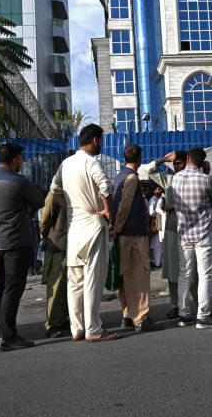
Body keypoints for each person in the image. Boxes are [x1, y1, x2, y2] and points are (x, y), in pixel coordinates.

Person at [51, 124, 118, 341]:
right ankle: (94, 329)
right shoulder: (92, 162)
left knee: (76, 280)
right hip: (92, 224)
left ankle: (77, 328)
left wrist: (70, 207)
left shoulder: (66, 163)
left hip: (75, 227)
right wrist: (107, 210)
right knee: (93, 279)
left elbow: (55, 189)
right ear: (96, 140)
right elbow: (105, 186)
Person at [0, 143, 45, 351]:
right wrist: (26, 207)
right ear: (15, 159)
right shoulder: (19, 182)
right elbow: (39, 200)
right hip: (16, 241)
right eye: (21, 158)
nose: (23, 162)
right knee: (12, 288)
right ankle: (8, 335)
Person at [111, 144, 162, 332]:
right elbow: (124, 208)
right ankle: (141, 317)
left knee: (126, 277)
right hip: (132, 234)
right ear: (139, 158)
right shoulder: (132, 178)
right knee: (139, 276)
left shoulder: (119, 176)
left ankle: (127, 314)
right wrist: (117, 228)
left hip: (123, 234)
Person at [171, 147, 212, 329]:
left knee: (185, 274)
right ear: (203, 162)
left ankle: (183, 314)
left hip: (184, 233)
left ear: (187, 159)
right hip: (203, 234)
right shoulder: (205, 179)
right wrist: (206, 173)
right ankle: (203, 315)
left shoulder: (175, 178)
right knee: (205, 275)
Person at [147, 150, 188, 319]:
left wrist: (173, 206)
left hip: (190, 229)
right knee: (172, 270)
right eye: (175, 164)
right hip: (172, 229)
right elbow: (150, 170)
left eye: (180, 163)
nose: (177, 166)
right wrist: (163, 159)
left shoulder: (195, 178)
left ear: (187, 162)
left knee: (192, 270)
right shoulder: (169, 180)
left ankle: (199, 304)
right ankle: (175, 305)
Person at [40, 189, 70, 338]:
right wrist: (47, 236)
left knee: (67, 285)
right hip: (58, 244)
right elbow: (45, 219)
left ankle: (62, 318)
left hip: (71, 243)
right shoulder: (55, 191)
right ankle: (52, 324)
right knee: (56, 286)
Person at [147, 186, 164, 268]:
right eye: (158, 189)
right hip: (155, 222)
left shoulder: (161, 198)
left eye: (161, 189)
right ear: (154, 191)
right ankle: (156, 262)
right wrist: (161, 213)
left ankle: (158, 261)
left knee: (159, 243)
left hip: (159, 221)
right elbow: (151, 212)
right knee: (157, 243)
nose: (160, 190)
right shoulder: (153, 200)